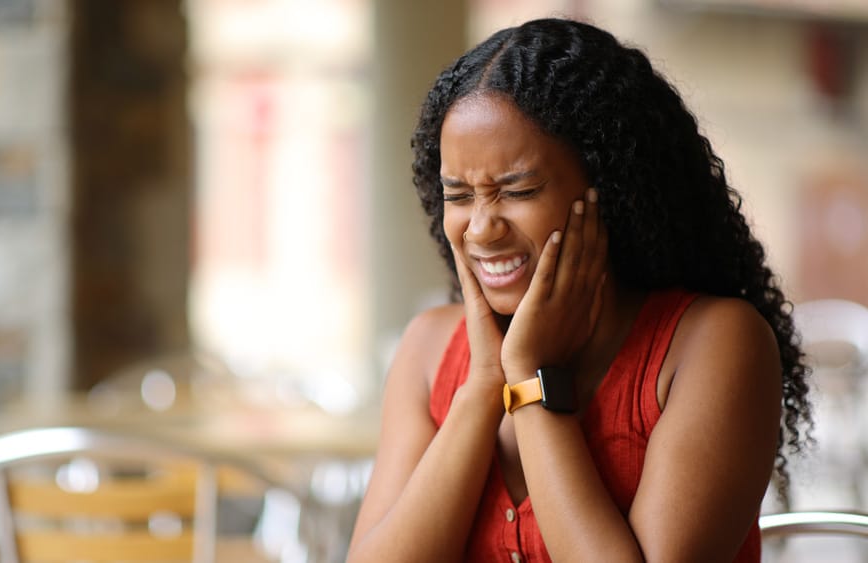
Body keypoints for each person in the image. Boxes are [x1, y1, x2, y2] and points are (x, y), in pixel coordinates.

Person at [347, 17, 812, 562]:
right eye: (460, 195)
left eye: (517, 190)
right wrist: (484, 383)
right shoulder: (429, 350)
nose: (480, 229)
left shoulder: (713, 346)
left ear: (610, 188)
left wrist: (529, 379)